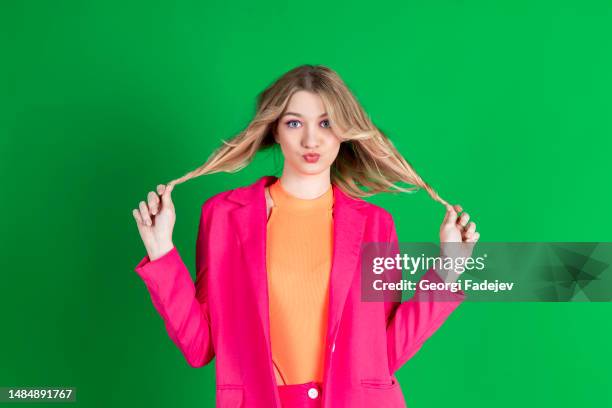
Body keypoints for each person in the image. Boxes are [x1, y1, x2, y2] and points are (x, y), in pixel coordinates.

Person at [131, 65, 480, 408]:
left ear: (344, 131)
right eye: (294, 122)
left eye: (326, 123)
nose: (311, 140)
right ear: (275, 131)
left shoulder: (375, 225)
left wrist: (449, 269)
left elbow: (383, 352)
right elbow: (200, 346)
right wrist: (161, 251)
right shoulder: (223, 216)